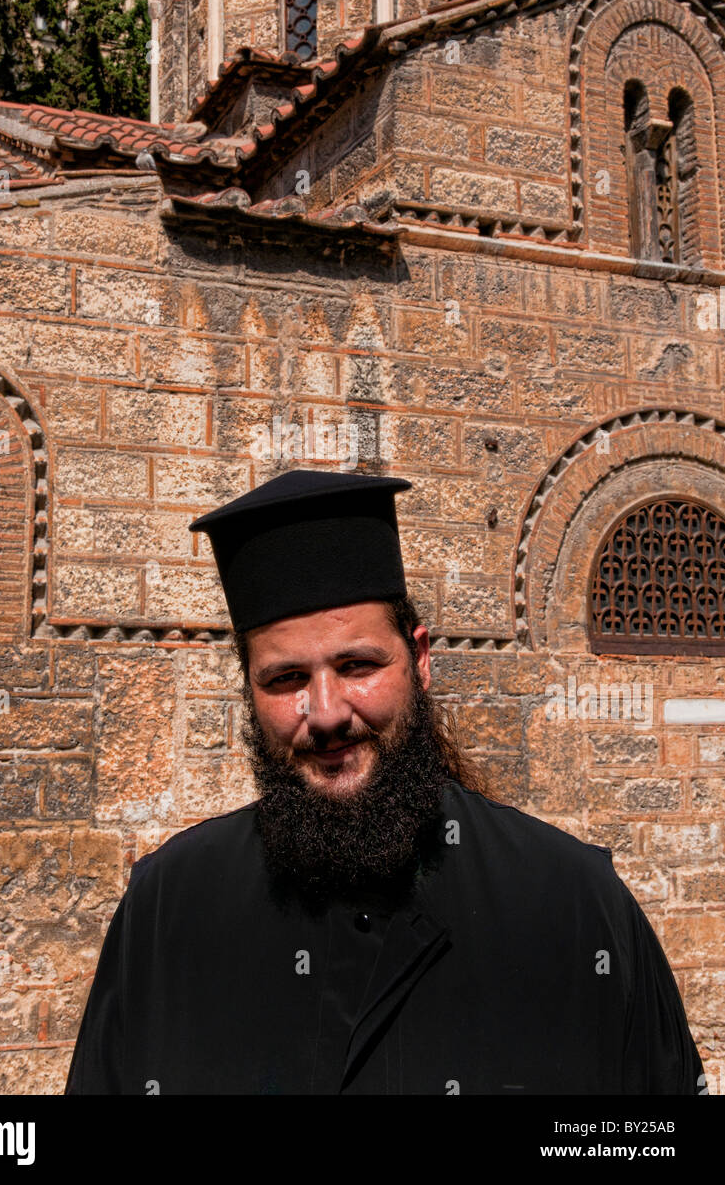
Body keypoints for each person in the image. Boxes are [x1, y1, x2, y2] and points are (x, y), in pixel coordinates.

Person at [64, 469, 705, 1095]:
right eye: (286, 679)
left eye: (358, 665)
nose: (328, 712)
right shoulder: (167, 913)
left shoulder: (574, 906)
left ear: (419, 661)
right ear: (250, 691)